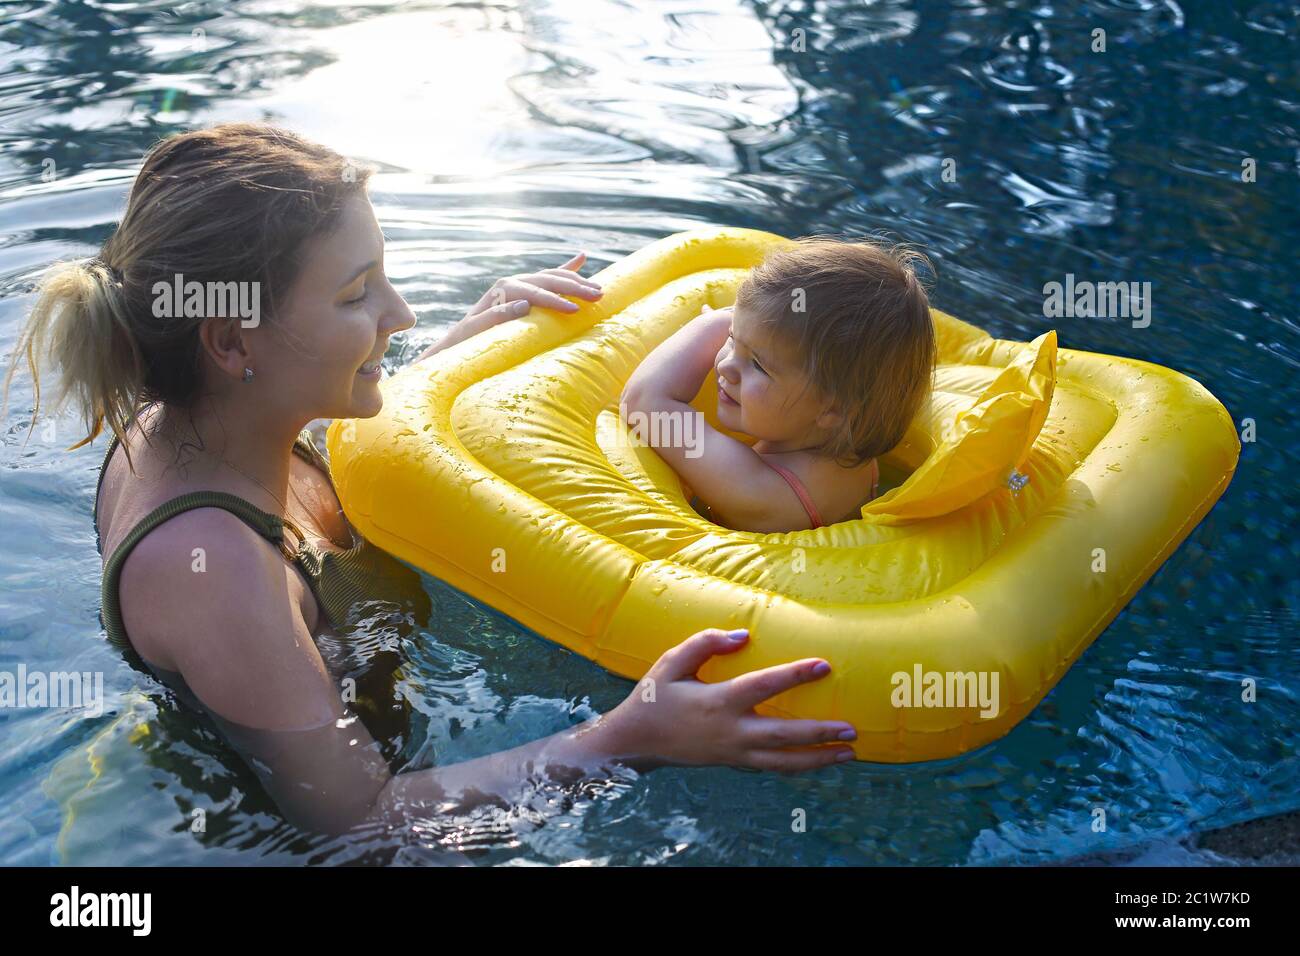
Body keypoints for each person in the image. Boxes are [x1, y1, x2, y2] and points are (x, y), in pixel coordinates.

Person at [3, 122, 857, 836]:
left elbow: (334, 446)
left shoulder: (190, 420)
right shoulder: (211, 566)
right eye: (356, 295)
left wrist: (445, 359)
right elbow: (361, 825)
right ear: (232, 344)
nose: (400, 314)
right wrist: (633, 737)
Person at [621, 237, 937, 533]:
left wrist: (713, 323)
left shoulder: (757, 490)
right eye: (731, 339)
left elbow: (644, 401)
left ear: (834, 409)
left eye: (758, 364)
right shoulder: (853, 454)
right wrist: (750, 334)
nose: (728, 366)